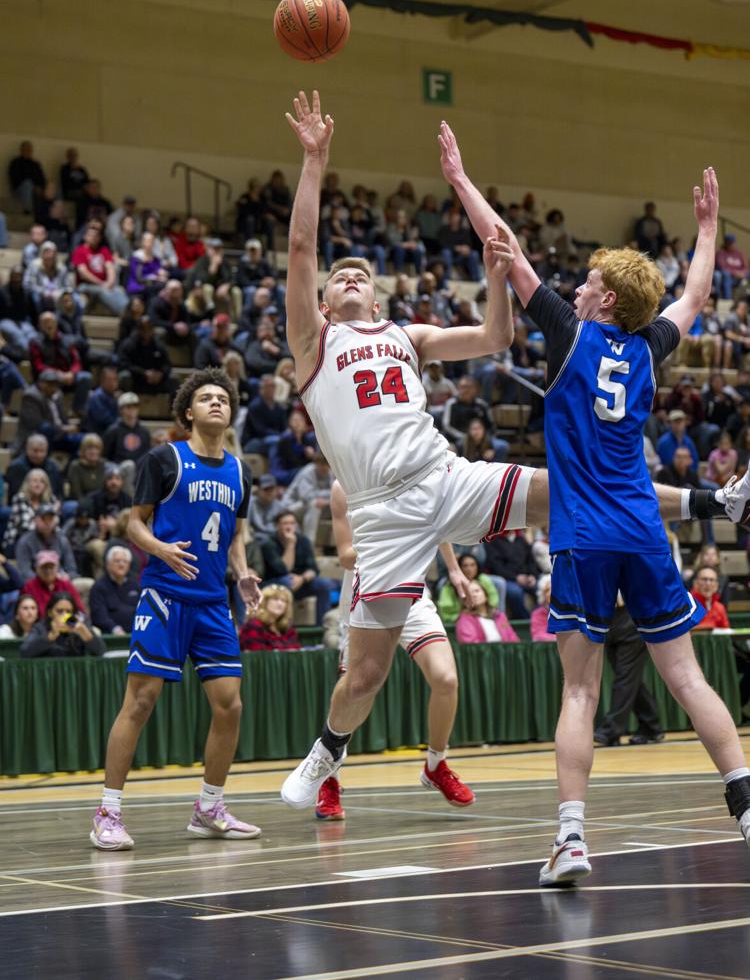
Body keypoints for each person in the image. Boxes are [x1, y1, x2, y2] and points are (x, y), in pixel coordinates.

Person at [279, 93, 749, 817]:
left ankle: (705, 504)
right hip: (380, 513)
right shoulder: (312, 345)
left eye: (359, 275)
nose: (346, 278)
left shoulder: (408, 334)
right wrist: (314, 162)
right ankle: (326, 750)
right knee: (366, 674)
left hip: (443, 475)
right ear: (321, 297)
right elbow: (303, 248)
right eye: (337, 276)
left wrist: (498, 278)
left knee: (577, 489)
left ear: (374, 295)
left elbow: (497, 338)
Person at [439, 125, 750, 877]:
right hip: (644, 530)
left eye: (585, 279)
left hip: (583, 532)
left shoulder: (572, 335)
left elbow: (503, 243)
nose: (574, 283)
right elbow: (697, 293)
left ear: (603, 298)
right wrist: (707, 230)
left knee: (580, 687)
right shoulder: (648, 348)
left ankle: (572, 839)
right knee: (687, 676)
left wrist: (458, 176)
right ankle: (746, 805)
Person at [91, 368, 262, 851]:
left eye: (223, 399)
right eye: (206, 398)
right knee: (140, 702)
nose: (216, 404)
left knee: (230, 705)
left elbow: (236, 532)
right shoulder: (164, 459)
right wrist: (160, 549)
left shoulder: (239, 471)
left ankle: (209, 807)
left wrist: (243, 571)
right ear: (188, 412)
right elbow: (133, 525)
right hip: (165, 596)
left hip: (212, 603)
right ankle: (107, 811)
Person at [315, 481, 475, 822]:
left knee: (446, 679)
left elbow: (437, 523)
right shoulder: (345, 485)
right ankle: (328, 776)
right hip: (365, 594)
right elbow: (345, 555)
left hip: (411, 591)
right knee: (355, 691)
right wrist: (397, 545)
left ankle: (436, 765)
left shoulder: (412, 470)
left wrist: (455, 570)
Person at [593, 599, 664, 747]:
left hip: (630, 616)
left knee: (625, 677)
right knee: (629, 678)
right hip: (605, 616)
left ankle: (610, 730)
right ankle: (651, 726)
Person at [261, 510, 331, 625]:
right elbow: (283, 569)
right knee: (287, 581)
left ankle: (321, 628)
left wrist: (302, 579)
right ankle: (284, 627)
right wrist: (290, 545)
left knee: (323, 585)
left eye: (292, 523)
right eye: (285, 523)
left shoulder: (303, 541)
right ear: (276, 525)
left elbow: (313, 569)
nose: (289, 527)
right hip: (274, 585)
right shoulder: (268, 544)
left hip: (300, 582)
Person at [20, 592, 105, 659]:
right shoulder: (40, 628)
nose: (64, 615)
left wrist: (85, 633)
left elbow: (101, 651)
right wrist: (50, 637)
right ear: (50, 613)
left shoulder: (80, 627)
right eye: (60, 611)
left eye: (68, 612)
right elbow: (24, 652)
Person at [89, 546, 141, 635]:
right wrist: (114, 629)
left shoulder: (135, 585)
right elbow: (99, 616)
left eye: (125, 561)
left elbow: (142, 610)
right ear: (108, 564)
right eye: (117, 561)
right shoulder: (99, 587)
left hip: (136, 632)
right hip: (111, 635)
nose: (121, 564)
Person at [239, 583, 301, 652]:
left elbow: (296, 652)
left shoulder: (287, 629)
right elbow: (256, 656)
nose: (280, 603)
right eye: (275, 599)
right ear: (264, 602)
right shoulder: (253, 626)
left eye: (284, 601)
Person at [21, 551, 84, 617]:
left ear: (57, 568)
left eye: (51, 567)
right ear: (36, 568)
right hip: (38, 625)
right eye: (44, 567)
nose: (48, 571)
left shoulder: (66, 585)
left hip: (65, 623)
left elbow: (80, 610)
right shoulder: (29, 587)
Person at [530, 575, 556, 642]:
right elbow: (538, 636)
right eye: (547, 590)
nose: (550, 593)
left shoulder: (566, 612)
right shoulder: (537, 614)